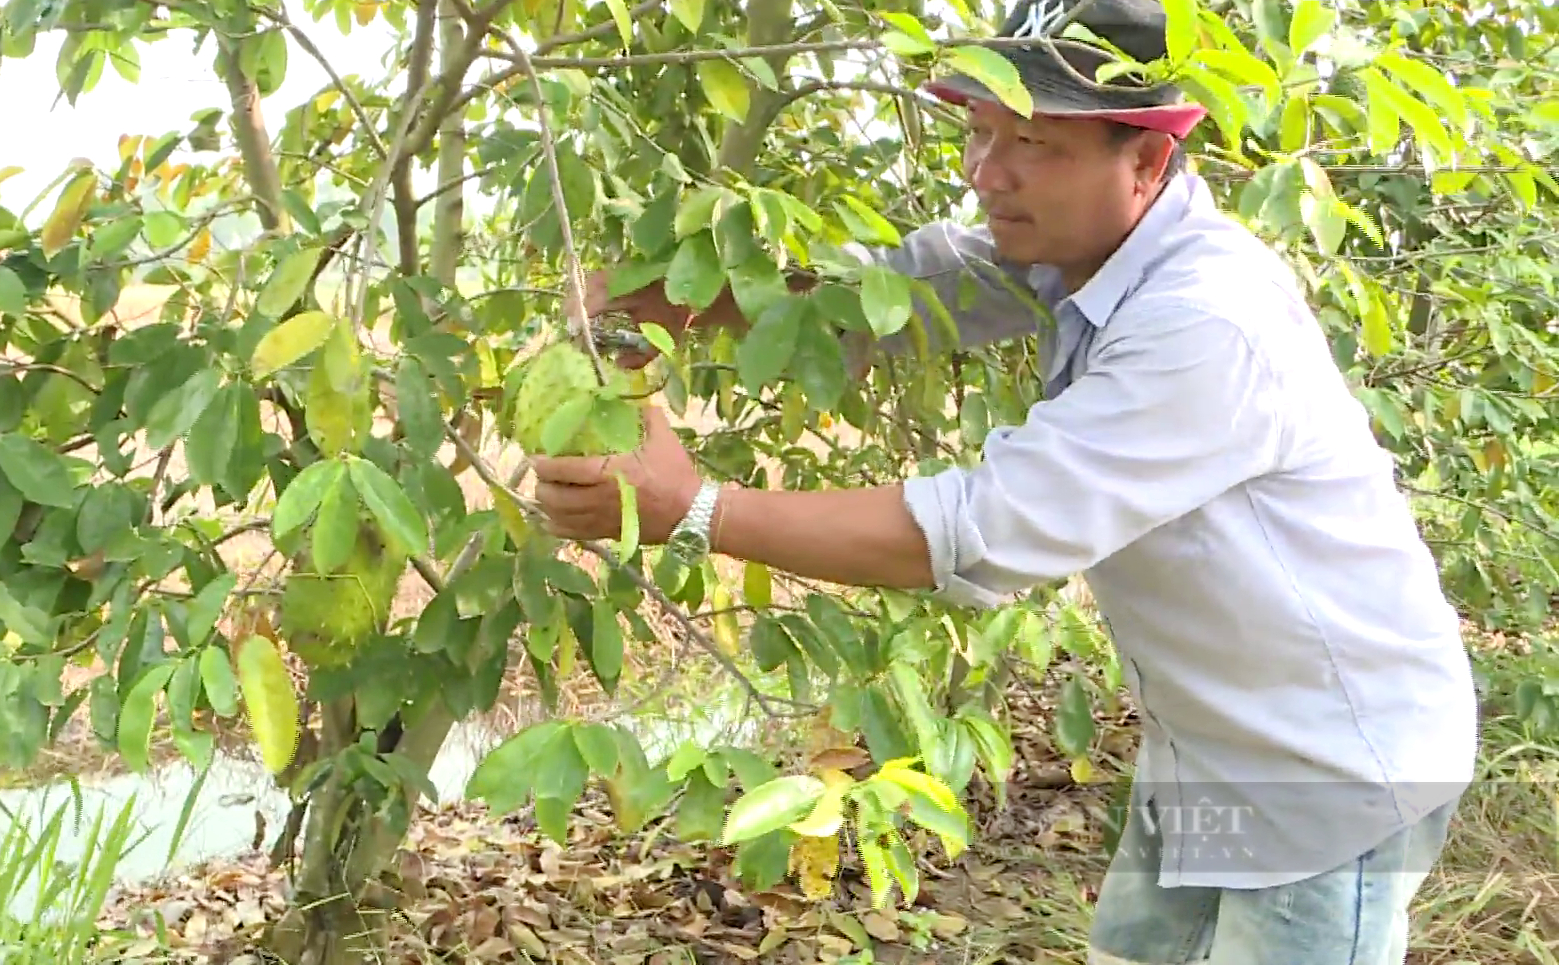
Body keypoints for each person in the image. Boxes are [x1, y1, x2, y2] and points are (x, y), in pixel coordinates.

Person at [531, 0, 1480, 961]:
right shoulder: (1076, 254)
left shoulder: (1206, 323)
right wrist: (680, 298)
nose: (989, 172)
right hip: (1206, 755)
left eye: (1033, 140)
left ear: (1146, 162)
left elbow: (984, 529)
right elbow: (903, 288)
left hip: (1328, 771)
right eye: (980, 131)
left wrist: (696, 508)